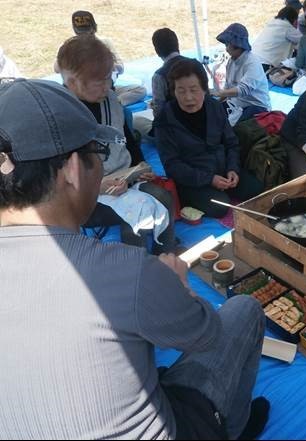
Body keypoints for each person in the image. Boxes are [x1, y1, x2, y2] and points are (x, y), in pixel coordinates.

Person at [0, 78, 269, 440]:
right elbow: (204, 335)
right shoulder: (128, 271)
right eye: (97, 153)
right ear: (72, 170)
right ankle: (233, 428)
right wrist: (181, 290)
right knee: (244, 310)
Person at [57, 35, 176, 254]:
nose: (108, 86)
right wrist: (99, 186)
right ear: (73, 82)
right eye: (99, 82)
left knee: (165, 198)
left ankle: (166, 255)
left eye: (108, 78)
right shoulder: (62, 116)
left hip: (124, 179)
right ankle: (137, 269)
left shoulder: (111, 99)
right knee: (137, 216)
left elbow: (128, 139)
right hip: (87, 195)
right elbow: (60, 177)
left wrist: (140, 166)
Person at [154, 58, 264, 218]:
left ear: (205, 89)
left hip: (222, 169)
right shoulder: (165, 119)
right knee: (220, 207)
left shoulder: (214, 107)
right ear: (174, 91)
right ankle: (190, 196)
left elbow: (231, 142)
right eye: (181, 91)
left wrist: (232, 168)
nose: (188, 97)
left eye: (194, 90)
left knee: (255, 189)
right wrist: (209, 179)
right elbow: (172, 165)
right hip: (192, 178)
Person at [213, 23, 271, 124]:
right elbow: (228, 88)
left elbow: (243, 89)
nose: (226, 49)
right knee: (212, 115)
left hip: (256, 106)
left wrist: (219, 93)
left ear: (236, 46)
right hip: (236, 104)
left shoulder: (252, 62)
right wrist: (216, 103)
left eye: (227, 44)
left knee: (236, 127)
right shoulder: (231, 62)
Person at [151, 28, 189, 121]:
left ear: (157, 51)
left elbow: (159, 113)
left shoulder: (159, 76)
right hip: (204, 122)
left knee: (137, 122)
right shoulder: (197, 64)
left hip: (176, 128)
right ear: (177, 44)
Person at [252, 6, 302, 71]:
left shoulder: (272, 24)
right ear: (294, 19)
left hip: (252, 59)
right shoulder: (287, 28)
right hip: (265, 64)